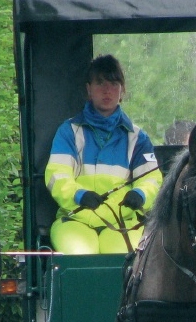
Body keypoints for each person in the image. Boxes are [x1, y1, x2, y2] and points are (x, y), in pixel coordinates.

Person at [45, 54, 163, 254]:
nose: (107, 89)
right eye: (100, 83)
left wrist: (140, 194)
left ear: (122, 91)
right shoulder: (69, 131)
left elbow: (152, 178)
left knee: (127, 258)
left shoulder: (138, 138)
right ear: (89, 89)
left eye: (114, 83)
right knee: (80, 256)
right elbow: (57, 175)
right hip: (75, 220)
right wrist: (78, 195)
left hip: (122, 222)